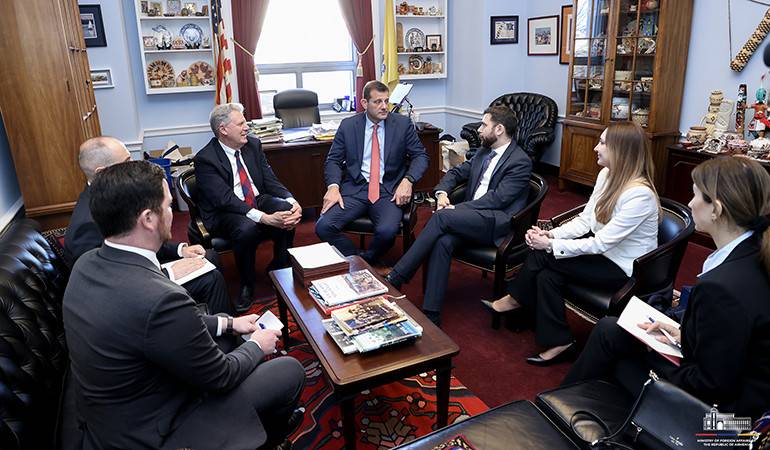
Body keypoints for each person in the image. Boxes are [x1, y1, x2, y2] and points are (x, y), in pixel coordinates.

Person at [63, 160, 305, 449]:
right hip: (154, 429)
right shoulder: (160, 298)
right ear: (148, 219)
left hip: (114, 410)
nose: (171, 213)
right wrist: (257, 345)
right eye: (168, 205)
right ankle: (269, 439)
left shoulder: (88, 262)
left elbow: (154, 325)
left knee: (227, 332)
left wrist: (229, 322)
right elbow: (222, 376)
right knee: (288, 370)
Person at [563, 156, 770, 420]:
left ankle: (563, 413)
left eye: (695, 195)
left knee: (614, 358)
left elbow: (709, 386)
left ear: (716, 209)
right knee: (610, 330)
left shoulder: (723, 287)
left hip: (726, 421)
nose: (690, 203)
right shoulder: (753, 251)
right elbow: (735, 341)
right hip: (737, 383)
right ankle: (565, 408)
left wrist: (654, 352)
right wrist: (684, 334)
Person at [485, 122, 660, 365]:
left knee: (543, 255)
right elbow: (585, 221)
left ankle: (515, 298)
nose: (596, 148)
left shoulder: (640, 195)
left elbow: (600, 243)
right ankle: (560, 341)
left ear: (620, 150)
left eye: (602, 143)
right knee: (547, 275)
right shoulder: (606, 175)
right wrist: (551, 235)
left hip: (623, 268)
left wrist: (549, 245)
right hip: (601, 256)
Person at [384, 106, 533, 326]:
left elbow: (497, 200)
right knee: (443, 241)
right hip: (473, 218)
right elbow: (455, 173)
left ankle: (397, 277)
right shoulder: (484, 151)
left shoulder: (520, 161)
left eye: (484, 125)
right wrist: (442, 194)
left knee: (441, 217)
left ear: (499, 129)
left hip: (497, 223)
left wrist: (456, 209)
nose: (479, 129)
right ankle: (432, 313)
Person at [64, 136, 233, 315]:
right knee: (210, 278)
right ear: (102, 172)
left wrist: (180, 251)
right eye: (126, 162)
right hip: (130, 295)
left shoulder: (116, 193)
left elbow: (139, 239)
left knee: (210, 256)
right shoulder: (86, 225)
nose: (133, 166)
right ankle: (221, 326)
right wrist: (166, 273)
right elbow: (108, 283)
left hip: (143, 268)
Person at [195, 103, 302, 310]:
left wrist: (292, 201)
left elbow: (270, 180)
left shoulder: (253, 145)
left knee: (286, 211)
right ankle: (247, 283)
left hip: (255, 199)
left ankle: (280, 267)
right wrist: (263, 217)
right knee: (246, 228)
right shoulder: (205, 159)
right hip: (225, 211)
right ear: (223, 130)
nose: (247, 128)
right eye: (241, 124)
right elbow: (224, 199)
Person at [315, 80, 429, 264]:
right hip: (355, 189)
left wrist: (408, 180)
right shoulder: (348, 126)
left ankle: (365, 261)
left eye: (386, 101)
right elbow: (333, 160)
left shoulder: (402, 124)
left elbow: (420, 156)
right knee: (323, 227)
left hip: (388, 190)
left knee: (387, 231)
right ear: (364, 103)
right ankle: (357, 258)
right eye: (378, 102)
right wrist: (333, 187)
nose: (384, 107)